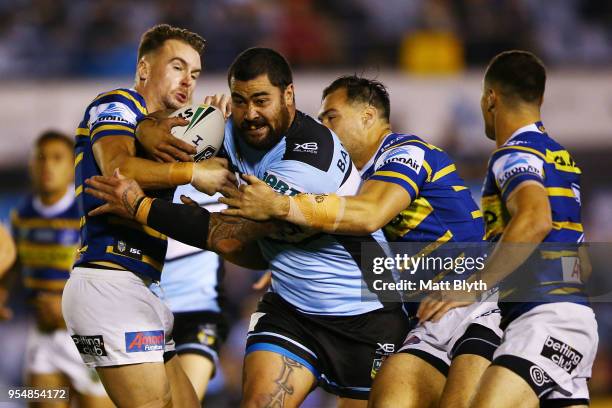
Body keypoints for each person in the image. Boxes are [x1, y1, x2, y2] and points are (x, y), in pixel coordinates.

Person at [84, 47, 411, 407]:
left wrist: (141, 207)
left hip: (365, 315)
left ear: (288, 95)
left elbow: (231, 238)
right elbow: (161, 133)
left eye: (261, 100)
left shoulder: (312, 159)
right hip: (291, 311)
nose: (250, 114)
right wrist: (147, 127)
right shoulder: (227, 130)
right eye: (239, 101)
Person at [219, 75, 503, 408]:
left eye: (331, 117)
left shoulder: (404, 152)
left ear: (368, 116)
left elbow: (370, 213)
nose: (323, 127)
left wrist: (282, 205)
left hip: (474, 303)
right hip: (423, 322)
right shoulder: (348, 182)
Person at [62, 24, 235, 407]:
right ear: (143, 69)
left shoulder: (166, 130)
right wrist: (193, 171)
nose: (187, 81)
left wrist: (221, 136)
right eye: (177, 67)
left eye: (194, 74)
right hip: (108, 284)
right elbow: (117, 168)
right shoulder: (118, 103)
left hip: (146, 290)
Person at [418, 50, 598, 407]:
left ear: (490, 98)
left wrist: (473, 287)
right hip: (569, 318)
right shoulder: (560, 158)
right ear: (540, 98)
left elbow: (534, 220)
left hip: (544, 320)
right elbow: (583, 263)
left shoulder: (513, 153)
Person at [1, 131, 112, 408]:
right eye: (40, 158)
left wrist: (67, 308)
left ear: (71, 166)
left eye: (57, 158)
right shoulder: (20, 218)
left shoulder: (91, 214)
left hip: (89, 338)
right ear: (30, 166)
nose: (47, 165)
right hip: (43, 336)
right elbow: (11, 264)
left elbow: (112, 277)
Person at [151, 184, 229, 402]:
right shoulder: (145, 174)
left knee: (186, 402)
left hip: (200, 311)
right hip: (145, 312)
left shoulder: (226, 171)